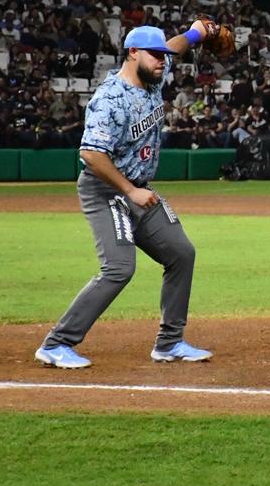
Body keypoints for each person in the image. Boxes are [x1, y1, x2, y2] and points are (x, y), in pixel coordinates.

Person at [34, 22, 220, 369]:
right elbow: (91, 153)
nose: (163, 61)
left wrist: (197, 32)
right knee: (119, 268)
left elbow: (175, 46)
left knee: (181, 253)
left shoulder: (153, 76)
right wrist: (130, 190)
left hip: (138, 188)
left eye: (163, 56)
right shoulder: (110, 99)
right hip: (105, 189)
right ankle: (57, 343)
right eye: (155, 55)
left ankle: (170, 343)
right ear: (133, 53)